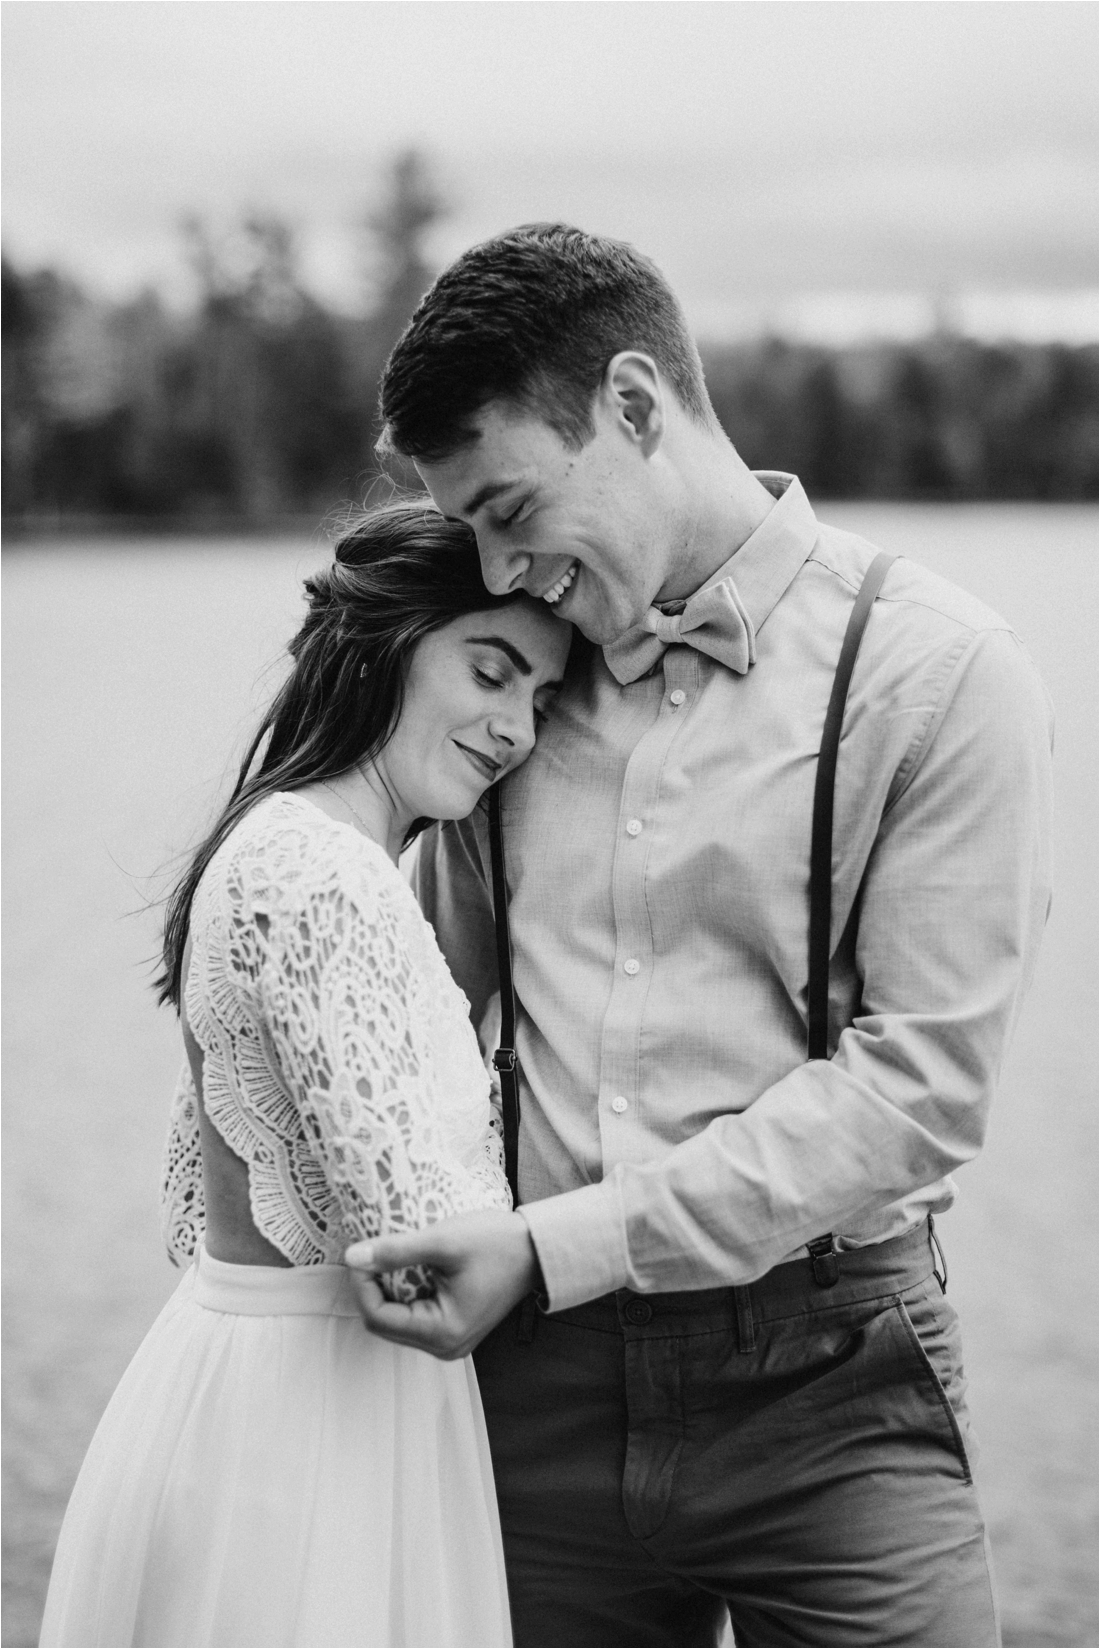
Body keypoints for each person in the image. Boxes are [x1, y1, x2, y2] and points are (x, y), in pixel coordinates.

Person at [344, 225, 1054, 1648]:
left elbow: (917, 1090)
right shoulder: (509, 677)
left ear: (632, 406)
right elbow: (414, 995)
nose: (497, 565)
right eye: (470, 526)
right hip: (530, 1393)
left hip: (833, 1385)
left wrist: (557, 1247)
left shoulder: (940, 674)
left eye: (510, 506)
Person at [38, 500, 571, 1649]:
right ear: (385, 638)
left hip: (263, 1378)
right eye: (491, 670)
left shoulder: (286, 844)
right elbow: (423, 1244)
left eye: (540, 698)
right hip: (312, 1434)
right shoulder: (326, 876)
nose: (516, 727)